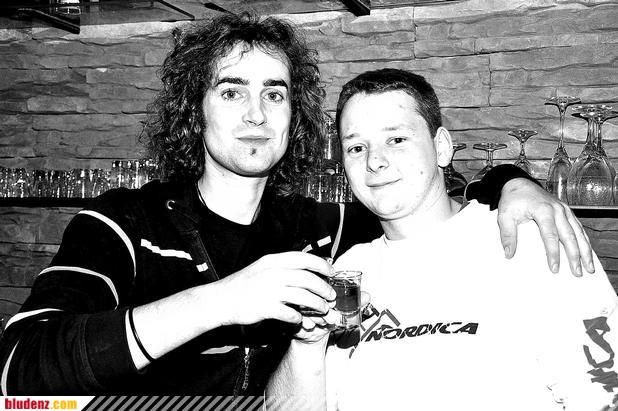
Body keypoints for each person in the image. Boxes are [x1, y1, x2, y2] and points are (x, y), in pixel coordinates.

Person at [0, 14, 593, 395]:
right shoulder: (122, 224)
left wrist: (514, 182)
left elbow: (420, 191)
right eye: (231, 92)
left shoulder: (329, 228)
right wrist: (218, 301)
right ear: (194, 112)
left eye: (274, 94)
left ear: (294, 116)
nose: (256, 114)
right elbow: (17, 368)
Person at [266, 69, 618, 410]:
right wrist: (306, 344)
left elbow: (603, 390)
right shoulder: (349, 270)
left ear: (442, 148)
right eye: (356, 147)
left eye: (397, 139)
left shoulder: (529, 238)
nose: (375, 161)